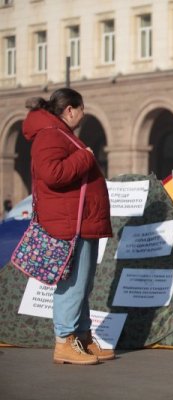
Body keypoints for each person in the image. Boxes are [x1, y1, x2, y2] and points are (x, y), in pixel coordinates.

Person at [22, 88, 113, 365]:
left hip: (80, 220)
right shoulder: (50, 135)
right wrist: (85, 156)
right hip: (70, 222)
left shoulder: (59, 133)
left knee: (82, 284)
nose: (83, 115)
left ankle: (82, 338)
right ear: (70, 109)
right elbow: (53, 174)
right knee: (72, 283)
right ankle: (64, 342)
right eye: (82, 109)